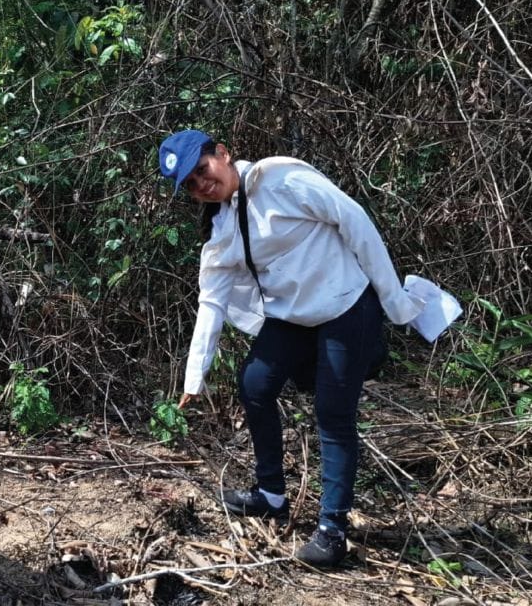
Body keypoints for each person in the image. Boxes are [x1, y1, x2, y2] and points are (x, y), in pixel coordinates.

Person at [158, 129, 423, 568]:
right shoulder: (223, 228)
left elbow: (354, 221)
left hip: (345, 306)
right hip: (292, 317)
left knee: (333, 413)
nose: (202, 185)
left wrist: (393, 302)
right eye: (190, 184)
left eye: (202, 170)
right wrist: (194, 376)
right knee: (255, 384)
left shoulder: (281, 179)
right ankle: (271, 495)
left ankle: (332, 530)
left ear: (223, 154)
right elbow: (212, 302)